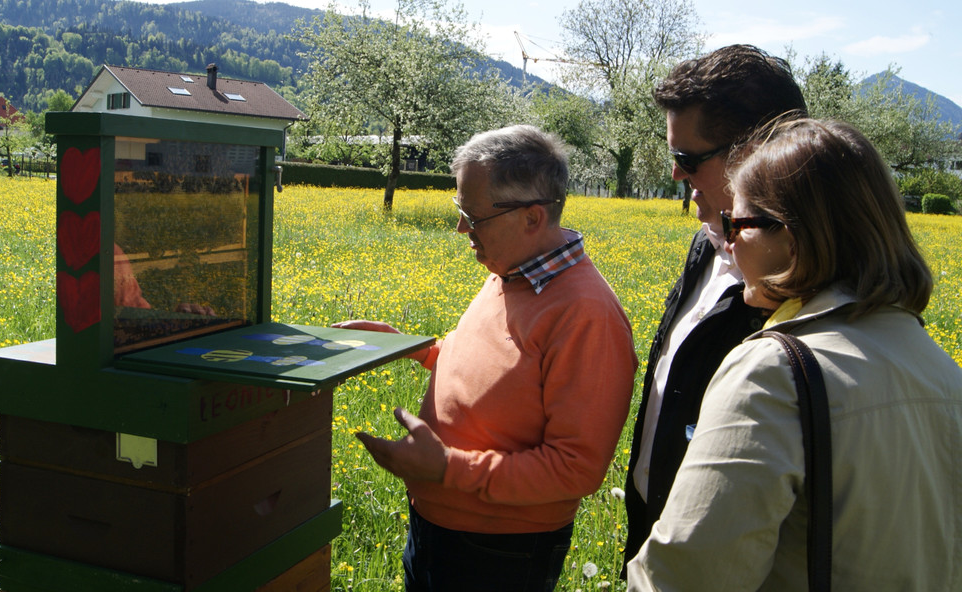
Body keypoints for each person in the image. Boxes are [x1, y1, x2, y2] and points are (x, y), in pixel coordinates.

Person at [627, 118, 962, 590]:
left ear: (793, 239)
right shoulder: (942, 370)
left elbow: (682, 578)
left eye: (736, 224)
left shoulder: (773, 372)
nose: (727, 244)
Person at [335, 125, 637, 591]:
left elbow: (576, 468)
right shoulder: (511, 271)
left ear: (532, 218)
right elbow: (498, 373)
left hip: (500, 551)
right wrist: (413, 348)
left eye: (473, 217)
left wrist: (447, 469)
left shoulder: (587, 314)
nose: (462, 229)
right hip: (438, 526)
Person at [623, 44, 808, 572]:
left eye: (688, 159)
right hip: (659, 532)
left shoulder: (808, 283)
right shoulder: (707, 243)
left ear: (758, 152)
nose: (676, 175)